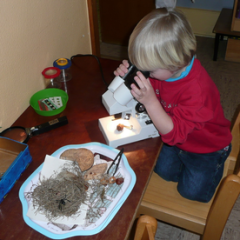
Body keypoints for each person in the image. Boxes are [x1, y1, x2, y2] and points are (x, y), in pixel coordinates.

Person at [114, 8, 232, 203]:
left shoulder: (197, 91)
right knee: (161, 171)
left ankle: (219, 160)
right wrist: (127, 76)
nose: (146, 73)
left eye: (149, 70)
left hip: (206, 146)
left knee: (191, 193)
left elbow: (173, 134)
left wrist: (151, 101)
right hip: (177, 137)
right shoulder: (166, 69)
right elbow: (149, 83)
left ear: (175, 63)